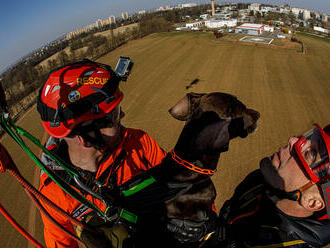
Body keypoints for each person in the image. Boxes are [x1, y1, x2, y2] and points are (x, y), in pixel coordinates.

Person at [36, 59, 166, 248]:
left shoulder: (138, 143)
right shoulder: (55, 194)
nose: (122, 116)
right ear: (86, 138)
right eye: (113, 115)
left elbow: (181, 183)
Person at [171, 124, 330, 247]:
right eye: (308, 137)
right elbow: (227, 219)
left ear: (313, 201)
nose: (293, 140)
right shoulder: (261, 181)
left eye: (311, 153)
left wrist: (205, 234)